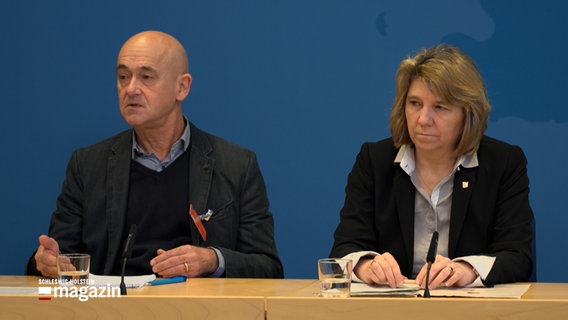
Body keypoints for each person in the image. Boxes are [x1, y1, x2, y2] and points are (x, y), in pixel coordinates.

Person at [27, 30, 283, 279]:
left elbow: (267, 267)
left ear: (182, 87)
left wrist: (212, 260)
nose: (131, 89)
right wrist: (45, 263)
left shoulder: (236, 165)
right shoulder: (87, 165)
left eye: (146, 77)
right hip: (111, 307)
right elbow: (59, 256)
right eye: (123, 77)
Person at [329, 44, 534, 289]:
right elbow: (345, 247)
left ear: (467, 114)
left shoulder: (503, 163)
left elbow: (517, 256)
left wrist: (466, 269)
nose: (423, 120)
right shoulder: (375, 160)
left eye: (440, 107)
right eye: (415, 103)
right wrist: (366, 265)